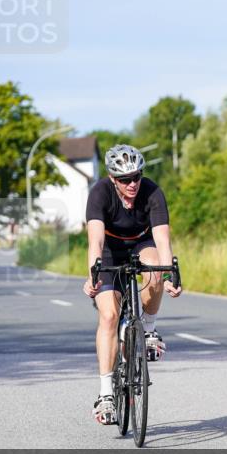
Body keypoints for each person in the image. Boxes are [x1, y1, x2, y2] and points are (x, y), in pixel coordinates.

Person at [82, 145, 182, 424]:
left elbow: (162, 241)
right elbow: (96, 242)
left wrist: (168, 275)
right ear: (113, 179)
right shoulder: (100, 194)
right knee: (110, 315)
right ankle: (105, 396)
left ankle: (148, 330)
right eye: (125, 179)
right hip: (110, 250)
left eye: (136, 176)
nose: (132, 184)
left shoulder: (152, 193)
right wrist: (93, 275)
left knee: (155, 271)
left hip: (141, 243)